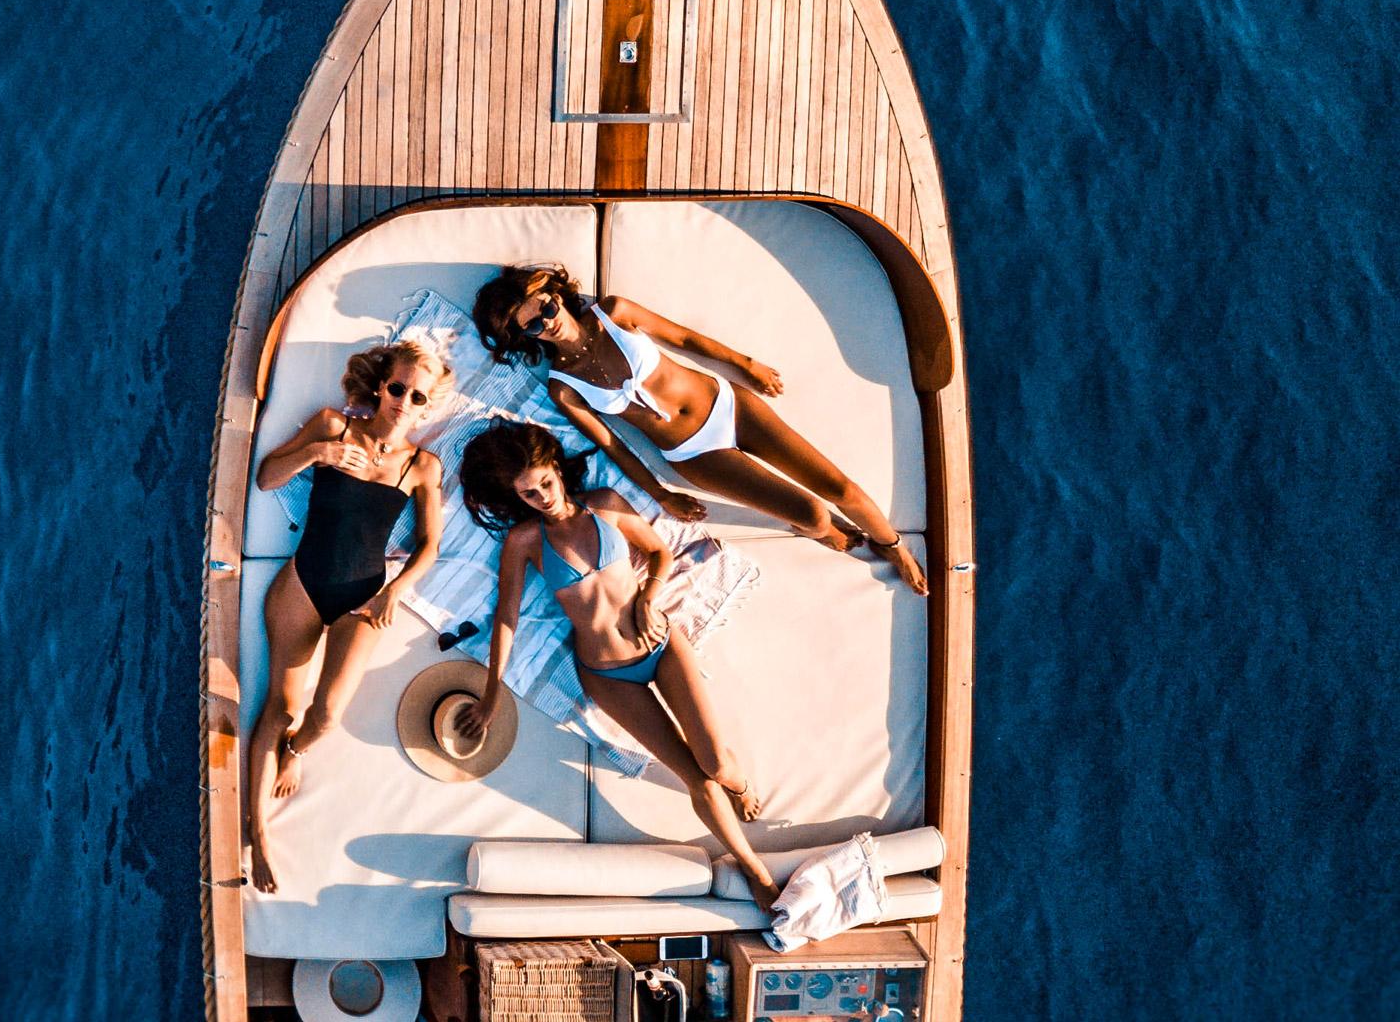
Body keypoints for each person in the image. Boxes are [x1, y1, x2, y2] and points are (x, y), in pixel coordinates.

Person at [453, 421, 780, 905]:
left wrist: (648, 598)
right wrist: (492, 695)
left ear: (558, 471)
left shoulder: (604, 504)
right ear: (515, 496)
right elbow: (506, 620)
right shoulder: (524, 541)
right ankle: (757, 872)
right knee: (693, 777)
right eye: (527, 493)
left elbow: (658, 552)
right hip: (608, 676)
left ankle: (742, 784)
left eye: (545, 482)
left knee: (715, 763)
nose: (541, 496)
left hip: (662, 645)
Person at [472, 264, 926, 595]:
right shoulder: (562, 387)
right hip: (695, 455)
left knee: (838, 486)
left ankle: (892, 546)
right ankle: (827, 531)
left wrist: (747, 365)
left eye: (545, 307)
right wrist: (661, 493)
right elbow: (613, 444)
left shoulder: (614, 311)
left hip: (729, 406)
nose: (546, 322)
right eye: (531, 324)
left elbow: (685, 340)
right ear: (524, 335)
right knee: (813, 515)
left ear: (556, 293)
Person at [243, 340, 452, 894]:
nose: (405, 401)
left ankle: (293, 752)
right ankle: (258, 832)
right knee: (280, 706)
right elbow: (267, 478)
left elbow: (430, 546)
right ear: (382, 386)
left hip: (364, 597)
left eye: (418, 396)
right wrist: (320, 456)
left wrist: (398, 591)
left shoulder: (422, 467)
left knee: (326, 715)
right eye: (398, 388)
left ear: (428, 408)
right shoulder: (334, 427)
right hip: (303, 586)